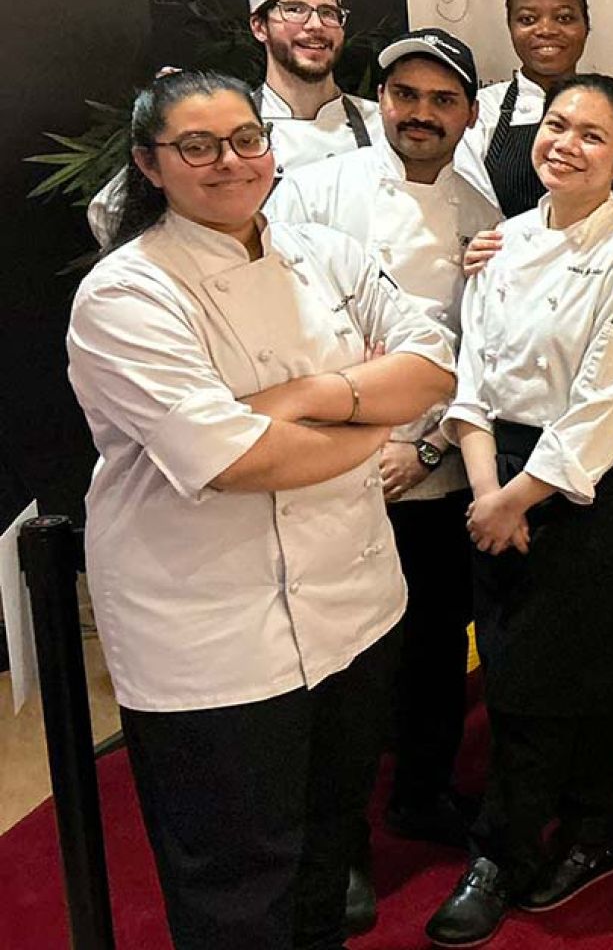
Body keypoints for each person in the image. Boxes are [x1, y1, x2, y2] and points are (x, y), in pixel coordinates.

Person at [66, 68, 456, 950]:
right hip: (214, 638)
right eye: (196, 147)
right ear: (150, 163)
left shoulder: (326, 255)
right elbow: (236, 460)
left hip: (353, 611)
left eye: (246, 140)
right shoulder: (128, 294)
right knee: (236, 886)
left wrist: (308, 393)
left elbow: (433, 365)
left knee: (325, 856)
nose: (229, 162)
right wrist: (371, 416)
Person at [425, 74, 613, 948]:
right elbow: (476, 378)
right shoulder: (505, 243)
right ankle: (597, 827)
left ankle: (501, 852)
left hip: (592, 487)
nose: (566, 143)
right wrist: (489, 489)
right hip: (502, 475)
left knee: (552, 680)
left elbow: (611, 402)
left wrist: (518, 497)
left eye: (592, 135)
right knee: (524, 669)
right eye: (557, 125)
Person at [264, 28, 503, 920]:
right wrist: (368, 438)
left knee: (437, 647)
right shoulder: (315, 191)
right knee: (346, 663)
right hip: (336, 466)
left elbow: (485, 351)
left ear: (469, 115)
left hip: (432, 472)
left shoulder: (484, 214)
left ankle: (424, 792)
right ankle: (343, 844)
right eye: (407, 96)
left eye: (444, 101)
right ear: (380, 102)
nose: (423, 115)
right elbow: (291, 328)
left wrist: (430, 446)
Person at [85, 0, 378, 245]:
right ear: (259, 26)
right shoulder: (223, 128)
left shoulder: (381, 126)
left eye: (328, 12)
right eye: (295, 9)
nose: (315, 25)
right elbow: (110, 212)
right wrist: (162, 123)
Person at [452, 0, 595, 218]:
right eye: (528, 19)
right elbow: (472, 211)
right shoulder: (482, 111)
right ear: (510, 28)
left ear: (586, 26)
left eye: (564, 18)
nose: (546, 30)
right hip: (506, 252)